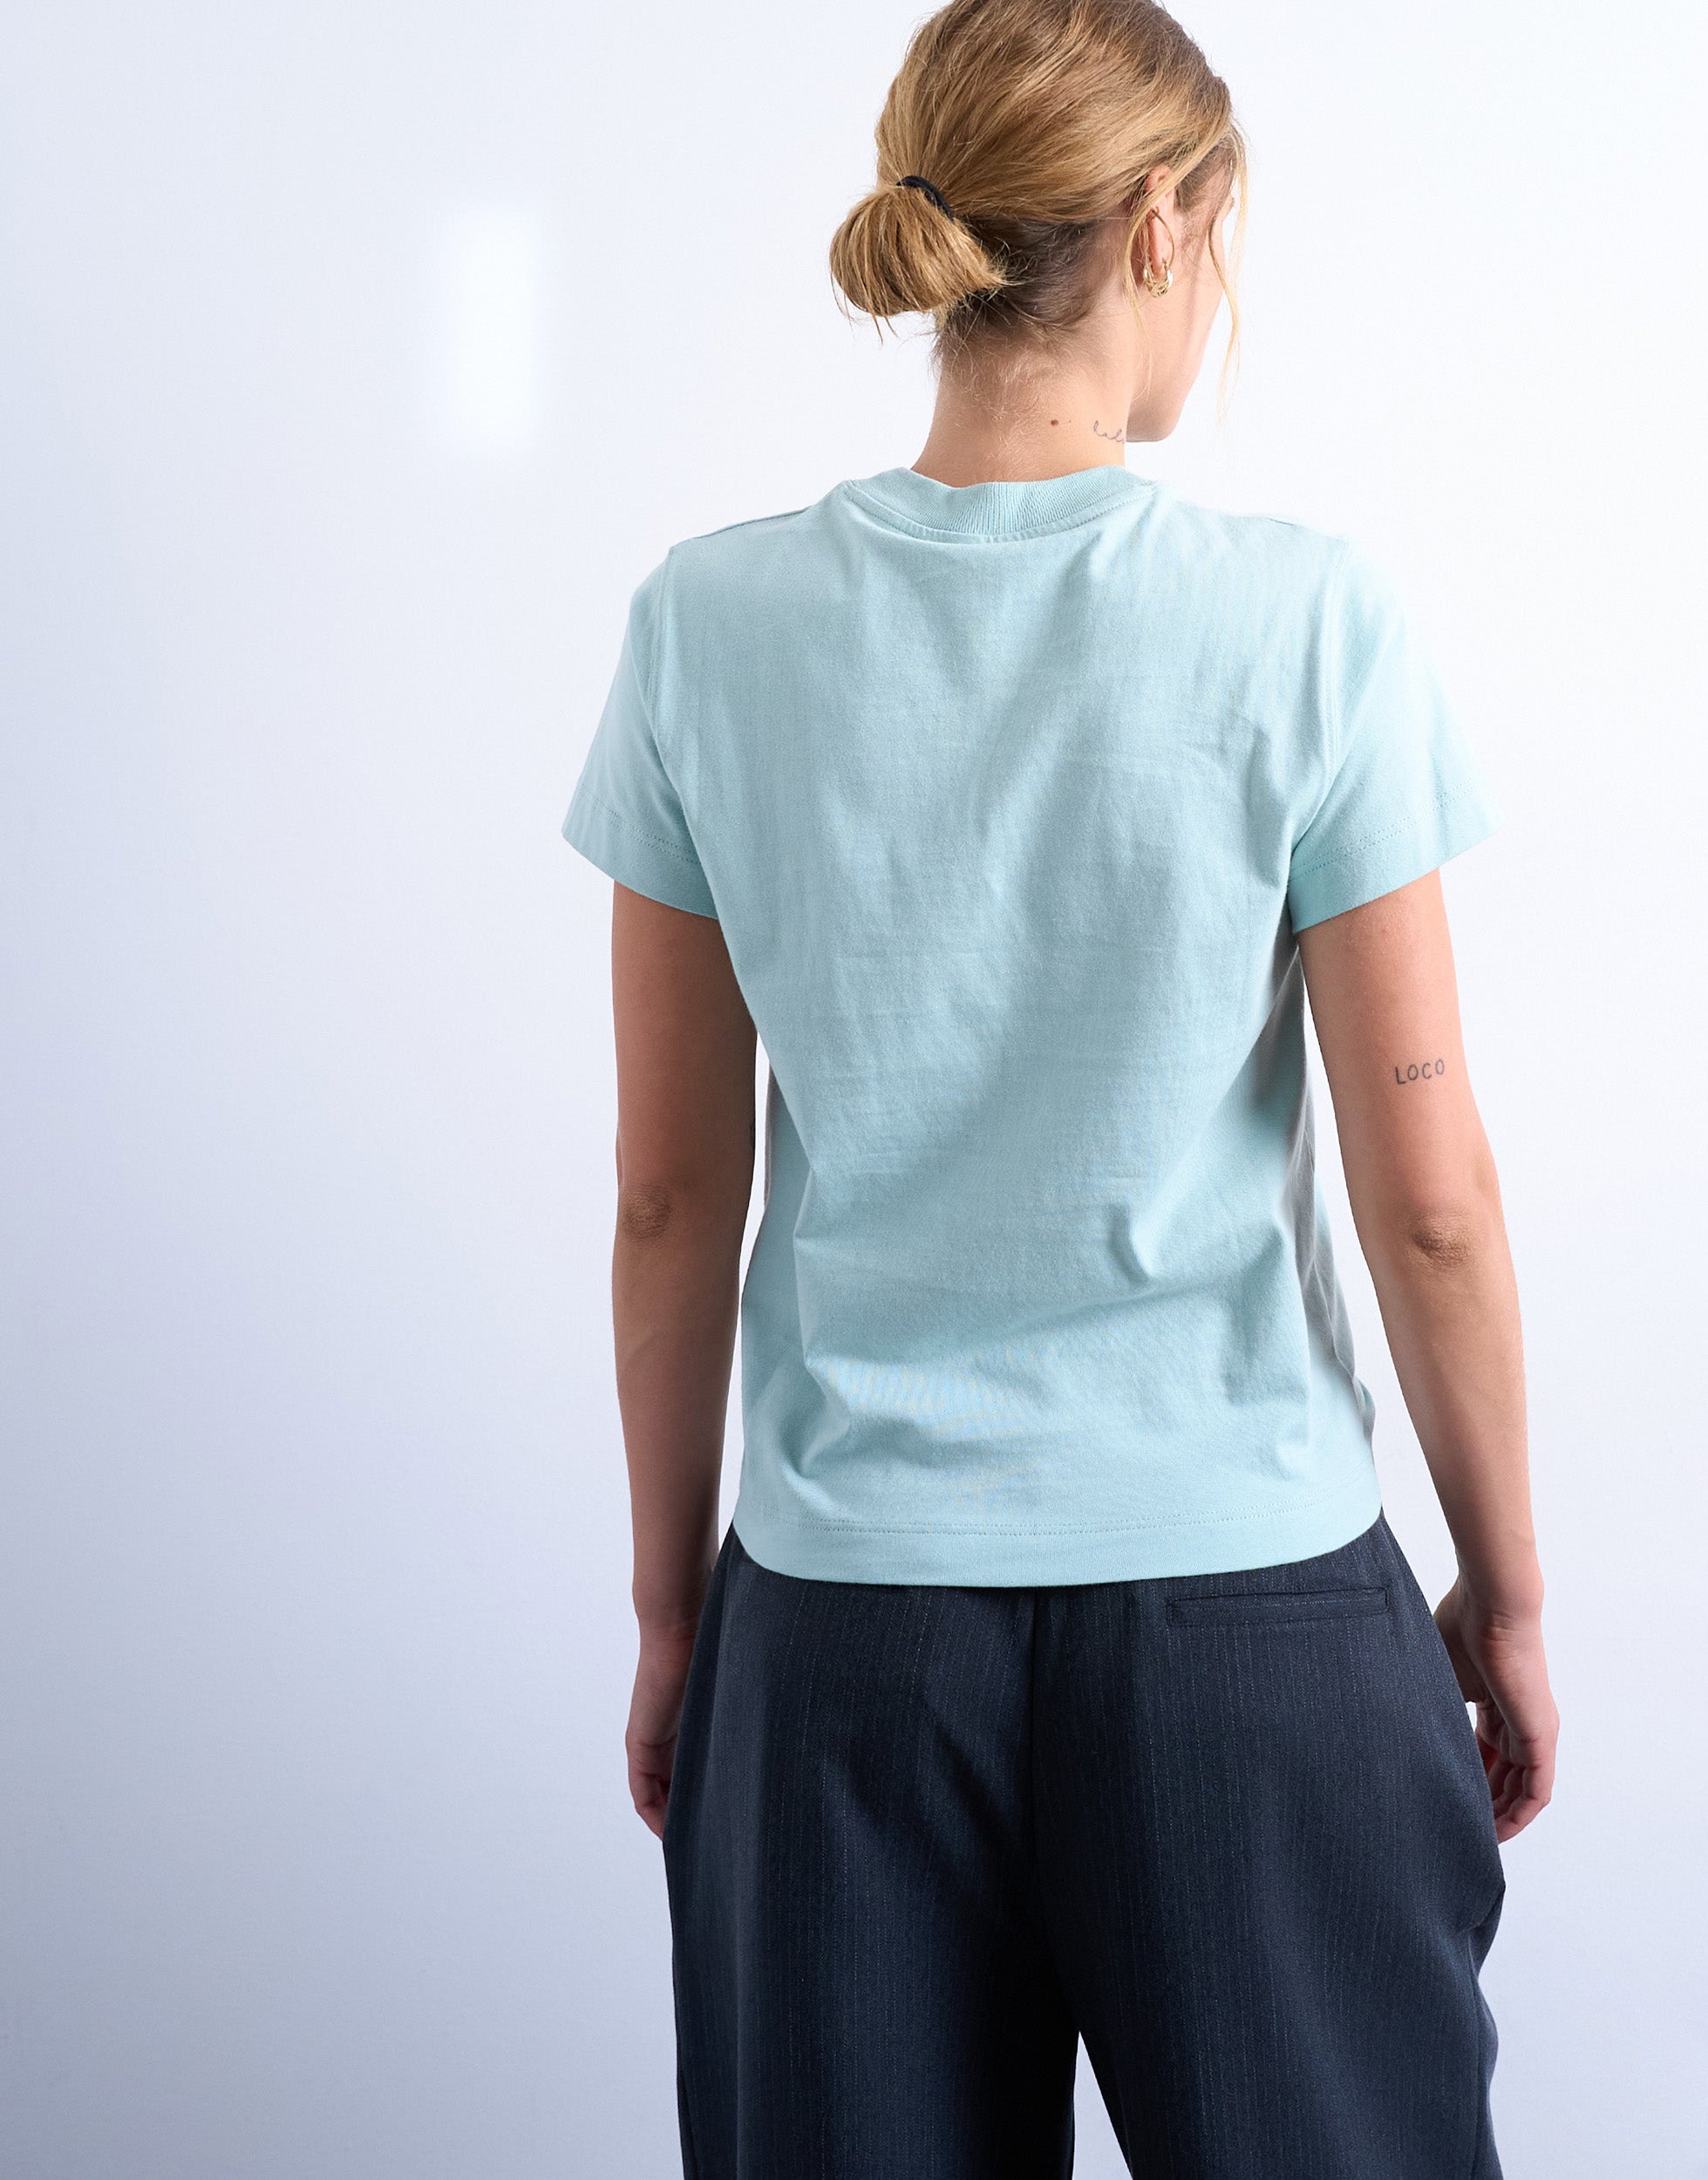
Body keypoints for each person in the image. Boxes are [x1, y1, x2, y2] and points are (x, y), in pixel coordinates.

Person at [561, 1, 1558, 2172]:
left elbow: (666, 1199)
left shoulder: (704, 625)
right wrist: (1505, 1588)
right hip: (1250, 1627)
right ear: (1158, 223)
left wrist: (672, 1611)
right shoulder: (1304, 621)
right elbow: (1429, 1198)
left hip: (838, 1634)